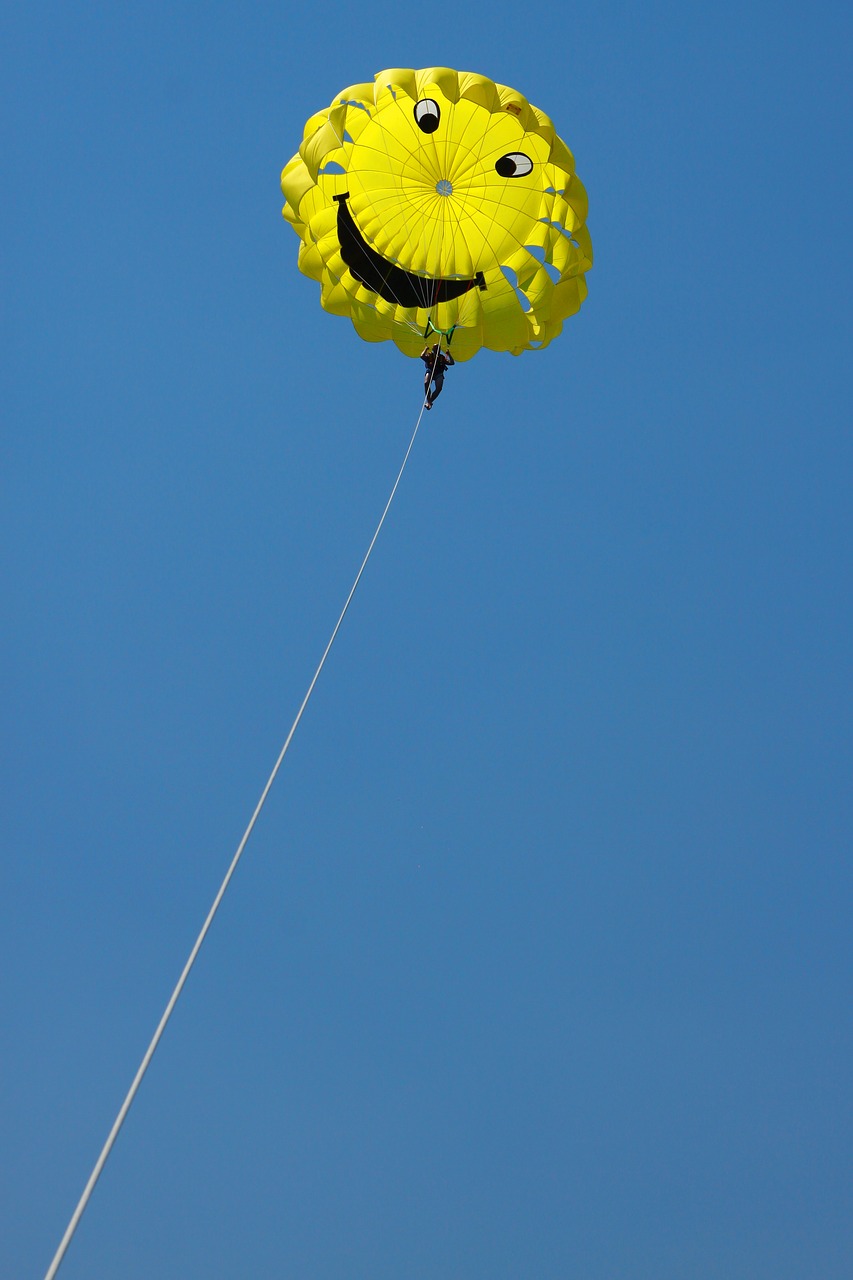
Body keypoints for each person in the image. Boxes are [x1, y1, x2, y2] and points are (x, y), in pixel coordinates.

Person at [420, 343, 455, 409]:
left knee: (439, 388)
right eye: (435, 348)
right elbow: (422, 356)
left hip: (438, 373)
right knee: (426, 383)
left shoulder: (442, 357)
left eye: (438, 348)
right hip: (430, 371)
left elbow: (452, 363)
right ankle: (429, 401)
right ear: (433, 349)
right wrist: (425, 349)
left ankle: (429, 402)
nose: (437, 350)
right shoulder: (430, 355)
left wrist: (448, 354)